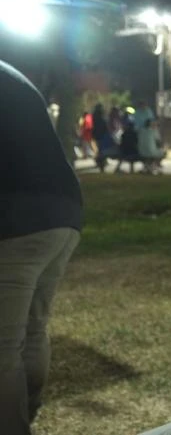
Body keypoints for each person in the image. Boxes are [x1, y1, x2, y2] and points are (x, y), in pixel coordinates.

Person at [0, 59, 82, 435]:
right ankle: (27, 415)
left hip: (17, 218)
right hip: (65, 212)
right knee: (33, 331)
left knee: (4, 348)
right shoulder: (11, 74)